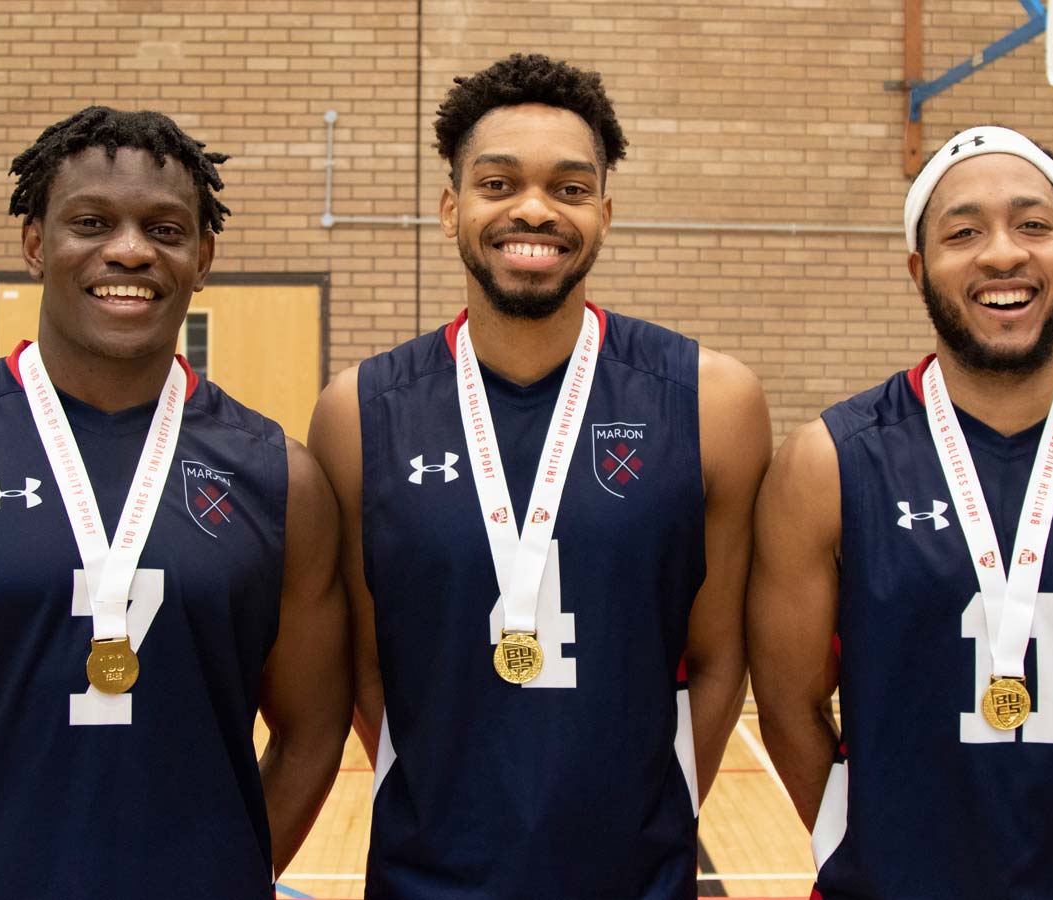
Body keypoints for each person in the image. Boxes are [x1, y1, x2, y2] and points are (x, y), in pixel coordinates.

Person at [0, 107, 351, 899]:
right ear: (34, 243)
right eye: (90, 221)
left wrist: (230, 875)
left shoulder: (281, 480)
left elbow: (311, 735)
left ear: (203, 258)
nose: (128, 249)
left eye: (165, 229)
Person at [308, 53, 770, 899]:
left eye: (568, 188)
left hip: (639, 879)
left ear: (604, 211)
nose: (533, 209)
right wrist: (448, 814)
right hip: (424, 878)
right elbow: (369, 669)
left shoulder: (715, 402)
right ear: (452, 208)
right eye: (497, 183)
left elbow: (717, 659)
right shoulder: (356, 413)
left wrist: (645, 830)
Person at [748, 125, 1053, 899]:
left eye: (1032, 226)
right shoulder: (827, 464)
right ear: (919, 269)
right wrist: (860, 842)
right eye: (963, 232)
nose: (1002, 254)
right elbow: (786, 702)